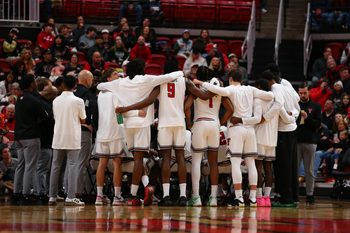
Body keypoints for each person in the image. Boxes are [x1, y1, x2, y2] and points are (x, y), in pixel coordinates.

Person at [97, 59, 183, 206]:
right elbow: (170, 76)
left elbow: (100, 85)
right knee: (139, 160)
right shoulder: (146, 80)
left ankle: (146, 186)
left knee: (136, 160)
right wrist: (180, 72)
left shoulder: (120, 83)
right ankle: (133, 195)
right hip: (142, 123)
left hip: (127, 125)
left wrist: (115, 86)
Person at [193, 70, 274, 207]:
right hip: (250, 129)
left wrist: (200, 82)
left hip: (236, 128)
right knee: (251, 164)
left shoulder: (230, 89)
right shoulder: (250, 89)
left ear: (230, 79)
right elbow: (270, 96)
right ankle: (253, 199)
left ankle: (239, 198)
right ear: (241, 79)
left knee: (236, 163)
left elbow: (215, 89)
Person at [95, 69, 145, 206]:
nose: (119, 76)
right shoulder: (116, 92)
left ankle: (99, 196)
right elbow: (120, 112)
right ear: (108, 79)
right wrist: (135, 115)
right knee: (117, 163)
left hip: (102, 132)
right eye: (115, 74)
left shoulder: (100, 93)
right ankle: (117, 196)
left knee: (102, 163)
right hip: (115, 132)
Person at [185, 66, 233, 207]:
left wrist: (189, 123)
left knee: (196, 162)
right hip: (214, 125)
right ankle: (213, 198)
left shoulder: (196, 89)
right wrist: (221, 122)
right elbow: (230, 109)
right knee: (213, 163)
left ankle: (196, 197)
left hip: (199, 124)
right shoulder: (217, 88)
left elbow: (186, 107)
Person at [264, 63, 300, 207]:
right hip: (293, 129)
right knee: (292, 166)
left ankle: (286, 198)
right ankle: (294, 196)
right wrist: (294, 115)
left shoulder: (276, 87)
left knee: (283, 167)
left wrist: (286, 117)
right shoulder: (286, 83)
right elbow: (297, 99)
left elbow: (278, 104)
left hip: (283, 130)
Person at [48, 75, 86, 206]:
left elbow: (55, 117)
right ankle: (70, 197)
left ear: (63, 85)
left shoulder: (55, 100)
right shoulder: (79, 101)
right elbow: (83, 120)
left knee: (55, 167)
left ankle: (52, 196)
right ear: (75, 85)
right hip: (73, 137)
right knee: (72, 166)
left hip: (58, 136)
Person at [13, 74, 49, 203]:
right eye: (34, 81)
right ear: (30, 84)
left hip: (18, 136)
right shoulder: (33, 100)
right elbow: (45, 116)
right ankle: (26, 194)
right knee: (30, 166)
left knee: (20, 165)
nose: (35, 83)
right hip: (30, 136)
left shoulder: (19, 99)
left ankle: (16, 193)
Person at [296, 84, 322, 204]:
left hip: (310, 141)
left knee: (309, 170)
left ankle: (310, 194)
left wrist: (307, 118)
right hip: (296, 141)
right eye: (300, 93)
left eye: (305, 93)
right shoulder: (295, 105)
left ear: (309, 92)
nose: (302, 95)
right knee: (294, 170)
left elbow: (317, 125)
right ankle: (294, 193)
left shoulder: (316, 106)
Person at [74, 70, 96, 197]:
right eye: (91, 79)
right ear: (87, 79)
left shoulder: (73, 93)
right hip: (85, 132)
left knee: (73, 163)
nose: (92, 82)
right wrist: (89, 124)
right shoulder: (88, 94)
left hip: (72, 133)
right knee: (82, 163)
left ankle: (71, 190)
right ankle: (77, 192)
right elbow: (90, 113)